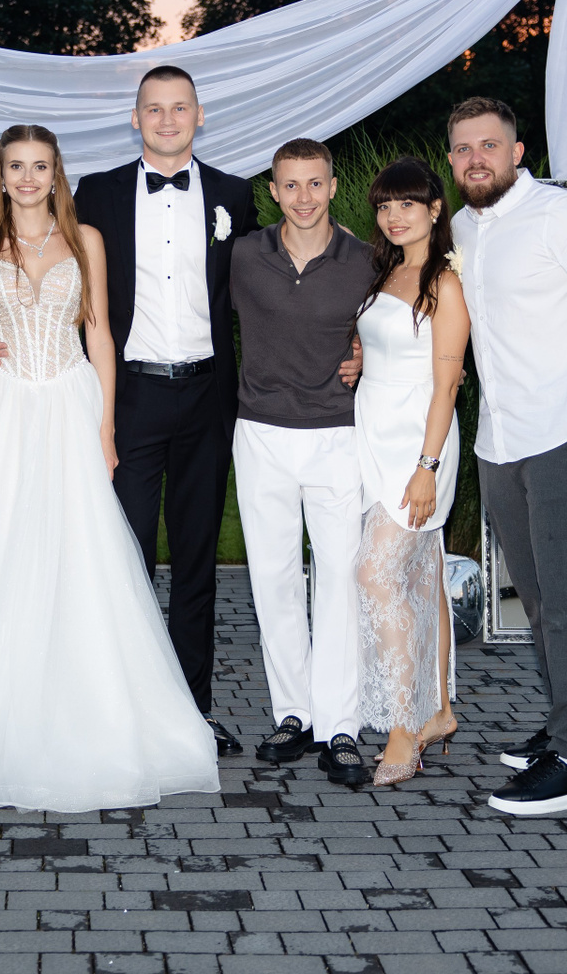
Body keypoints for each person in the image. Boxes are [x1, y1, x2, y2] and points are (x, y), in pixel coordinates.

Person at [0, 126, 220, 811]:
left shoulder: (86, 241)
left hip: (67, 406)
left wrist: (106, 427)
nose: (27, 178)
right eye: (15, 167)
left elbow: (100, 335)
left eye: (39, 167)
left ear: (56, 175)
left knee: (76, 550)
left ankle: (83, 703)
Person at [0, 65, 259, 757]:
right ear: (135, 119)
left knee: (196, 562)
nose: (167, 119)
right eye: (153, 109)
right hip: (125, 398)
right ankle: (119, 711)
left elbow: (260, 291)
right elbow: (32, 271)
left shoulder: (234, 195)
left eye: (180, 107)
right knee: (120, 559)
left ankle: (191, 714)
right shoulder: (97, 195)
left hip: (207, 398)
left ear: (199, 115)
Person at [443, 97, 567, 816]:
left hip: (566, 432)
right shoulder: (462, 227)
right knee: (535, 598)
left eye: (489, 145)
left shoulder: (561, 215)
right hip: (500, 439)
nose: (476, 159)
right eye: (463, 148)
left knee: (565, 598)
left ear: (517, 151)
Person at [228, 138, 374, 786]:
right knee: (274, 578)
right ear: (273, 190)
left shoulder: (364, 261)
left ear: (333, 187)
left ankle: (340, 725)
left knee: (339, 577)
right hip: (260, 431)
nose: (304, 197)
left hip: (336, 433)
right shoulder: (244, 255)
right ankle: (295, 713)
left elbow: (396, 330)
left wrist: (367, 355)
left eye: (315, 184)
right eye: (291, 185)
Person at [352, 156, 468, 788]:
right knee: (422, 578)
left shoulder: (444, 283)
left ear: (434, 208)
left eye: (406, 203)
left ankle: (403, 725)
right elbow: (377, 346)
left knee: (374, 572)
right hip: (372, 430)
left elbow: (446, 386)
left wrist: (427, 467)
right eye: (384, 205)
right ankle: (441, 709)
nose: (393, 216)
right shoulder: (385, 271)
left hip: (420, 441)